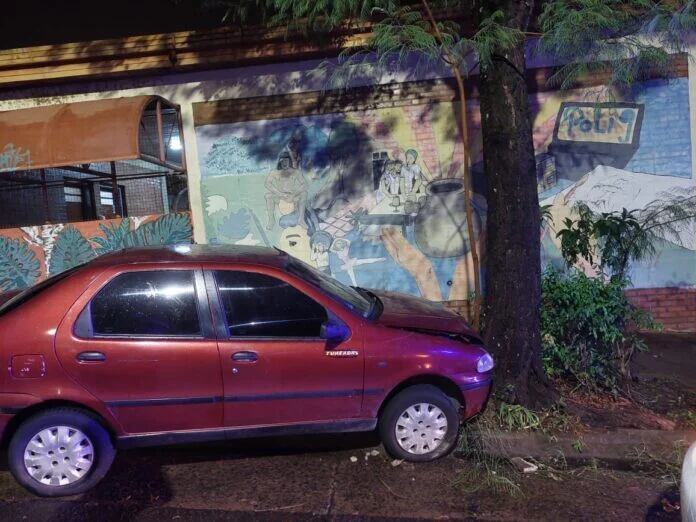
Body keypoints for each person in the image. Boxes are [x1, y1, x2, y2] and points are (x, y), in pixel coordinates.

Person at [265, 151, 308, 230]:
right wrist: (280, 194)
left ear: (289, 161)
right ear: (279, 162)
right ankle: (271, 220)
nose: (284, 163)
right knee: (268, 196)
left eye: (286, 161)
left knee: (304, 193)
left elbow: (304, 184)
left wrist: (294, 194)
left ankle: (301, 219)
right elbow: (267, 184)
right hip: (280, 196)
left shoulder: (295, 172)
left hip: (293, 196)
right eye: (282, 161)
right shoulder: (274, 172)